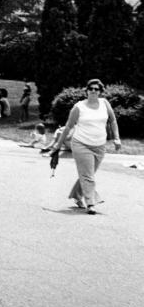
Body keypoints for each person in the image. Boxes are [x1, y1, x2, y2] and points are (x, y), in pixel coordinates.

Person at [59, 78, 121, 214]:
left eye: (96, 89)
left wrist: (117, 138)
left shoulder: (105, 103)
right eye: (90, 89)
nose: (93, 91)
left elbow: (113, 120)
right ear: (86, 91)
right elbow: (69, 126)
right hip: (81, 144)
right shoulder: (79, 107)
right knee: (88, 176)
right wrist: (57, 146)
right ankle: (91, 203)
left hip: (99, 146)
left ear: (100, 91)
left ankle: (76, 195)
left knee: (88, 174)